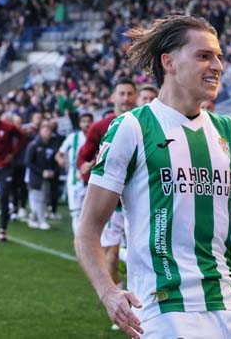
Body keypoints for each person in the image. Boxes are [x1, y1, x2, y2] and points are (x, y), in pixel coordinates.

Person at [75, 15, 231, 339]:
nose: (218, 66)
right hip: (164, 310)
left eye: (219, 56)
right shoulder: (133, 128)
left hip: (230, 307)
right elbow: (87, 231)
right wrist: (108, 292)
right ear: (169, 62)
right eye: (204, 56)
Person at [76, 80, 137, 303]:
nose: (126, 98)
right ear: (113, 98)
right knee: (111, 255)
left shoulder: (145, 124)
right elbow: (83, 156)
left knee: (142, 254)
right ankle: (123, 300)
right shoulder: (100, 127)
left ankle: (142, 300)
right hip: (112, 202)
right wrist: (83, 167)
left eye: (130, 93)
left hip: (140, 201)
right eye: (121, 93)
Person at [0, 105, 25, 241]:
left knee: (4, 196)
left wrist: (13, 154)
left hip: (5, 166)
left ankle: (3, 229)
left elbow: (22, 137)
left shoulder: (8, 127)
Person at [55, 112, 93, 235]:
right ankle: (79, 240)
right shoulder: (73, 137)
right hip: (75, 177)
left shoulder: (97, 137)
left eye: (89, 121)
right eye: (84, 121)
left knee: (91, 212)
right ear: (80, 123)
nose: (87, 124)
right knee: (76, 212)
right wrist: (60, 160)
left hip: (93, 176)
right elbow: (59, 153)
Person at [25, 120, 58, 230]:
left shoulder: (52, 144)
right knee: (39, 199)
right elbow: (28, 162)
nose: (48, 132)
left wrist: (52, 170)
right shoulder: (34, 144)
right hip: (36, 177)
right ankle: (41, 221)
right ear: (40, 131)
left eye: (49, 130)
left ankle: (33, 219)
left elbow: (54, 160)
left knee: (44, 199)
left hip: (48, 176)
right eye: (45, 130)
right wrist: (40, 172)